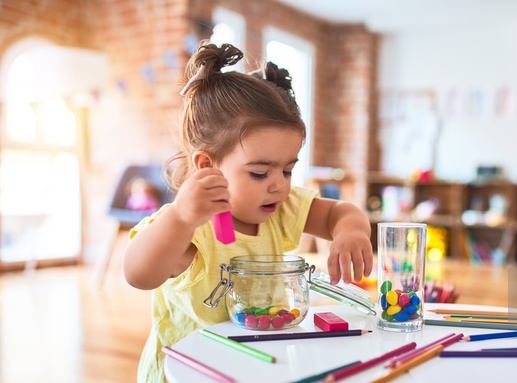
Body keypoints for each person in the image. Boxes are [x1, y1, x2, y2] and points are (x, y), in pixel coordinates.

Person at [122, 42, 373, 383]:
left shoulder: (279, 209)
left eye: (287, 170)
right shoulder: (187, 226)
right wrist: (180, 218)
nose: (279, 186)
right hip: (186, 374)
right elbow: (139, 274)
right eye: (260, 173)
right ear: (207, 166)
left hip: (253, 366)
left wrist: (351, 231)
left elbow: (338, 213)